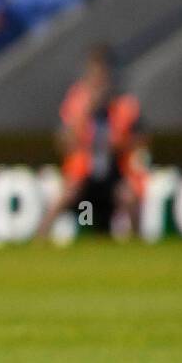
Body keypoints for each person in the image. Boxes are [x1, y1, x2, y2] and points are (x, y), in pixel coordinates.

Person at [38, 46, 148, 238]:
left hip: (114, 173)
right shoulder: (77, 101)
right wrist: (87, 111)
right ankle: (40, 239)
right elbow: (64, 141)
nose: (98, 81)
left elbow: (140, 141)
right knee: (72, 198)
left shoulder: (124, 104)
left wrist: (116, 144)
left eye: (102, 76)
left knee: (129, 198)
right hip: (84, 174)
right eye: (94, 75)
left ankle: (137, 242)